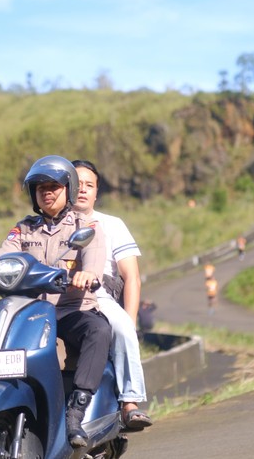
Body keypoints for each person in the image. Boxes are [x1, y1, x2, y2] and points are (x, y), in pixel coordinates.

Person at [0, 155, 111, 448]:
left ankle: (76, 411)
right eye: (41, 188)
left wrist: (87, 274)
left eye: (53, 187)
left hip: (70, 310)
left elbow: (93, 256)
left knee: (98, 330)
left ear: (68, 188)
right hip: (31, 312)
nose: (47, 192)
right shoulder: (24, 229)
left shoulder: (85, 226)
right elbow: (0, 256)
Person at [71, 159, 152, 431]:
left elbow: (132, 277)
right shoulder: (50, 224)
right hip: (54, 295)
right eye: (77, 183)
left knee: (121, 327)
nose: (83, 189)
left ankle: (129, 402)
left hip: (98, 296)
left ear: (97, 192)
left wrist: (130, 321)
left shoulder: (111, 224)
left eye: (89, 185)